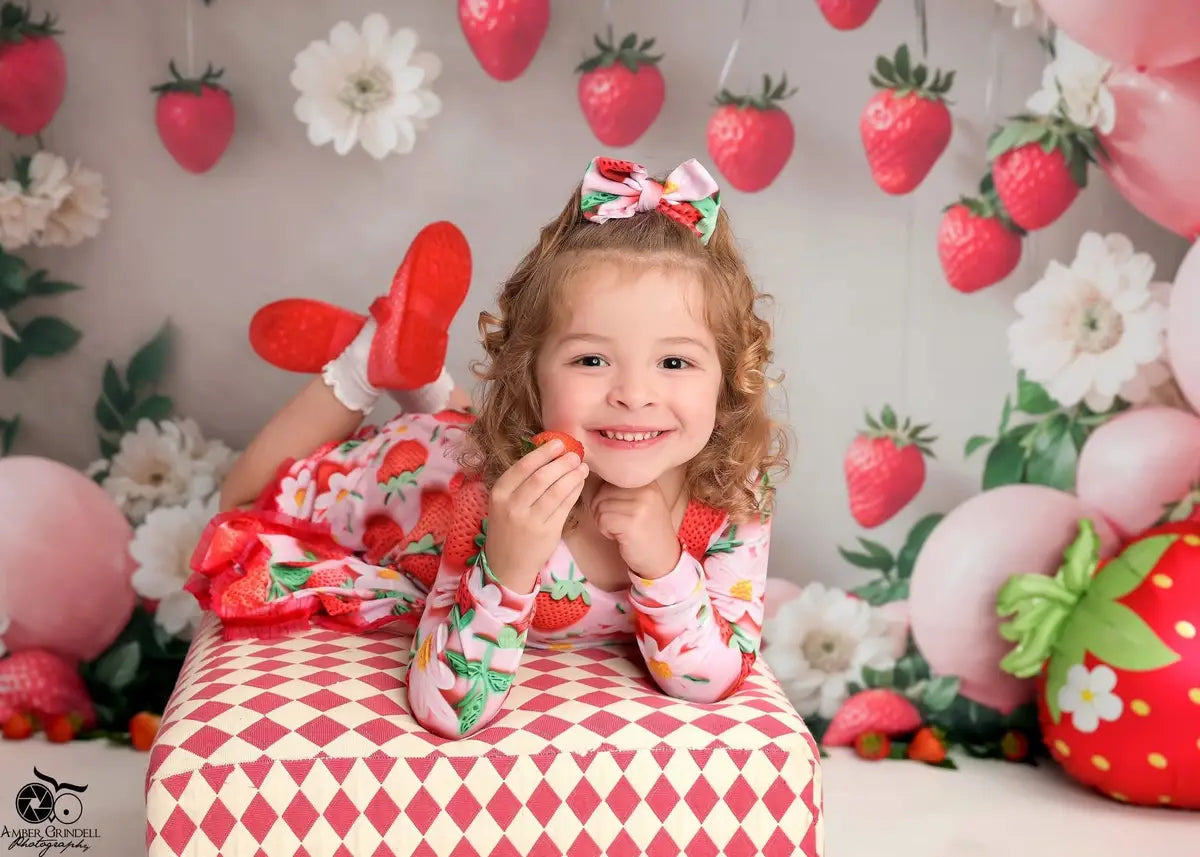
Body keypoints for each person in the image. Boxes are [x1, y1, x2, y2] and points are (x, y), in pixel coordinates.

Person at [188, 156, 789, 740]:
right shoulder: (493, 500)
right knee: (240, 502)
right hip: (412, 482)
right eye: (591, 360)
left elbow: (714, 678)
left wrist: (664, 566)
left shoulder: (732, 493)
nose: (634, 395)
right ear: (531, 374)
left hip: (473, 441)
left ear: (729, 377)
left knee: (465, 429)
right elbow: (447, 709)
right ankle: (367, 361)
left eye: (675, 362)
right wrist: (508, 563)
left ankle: (414, 368)